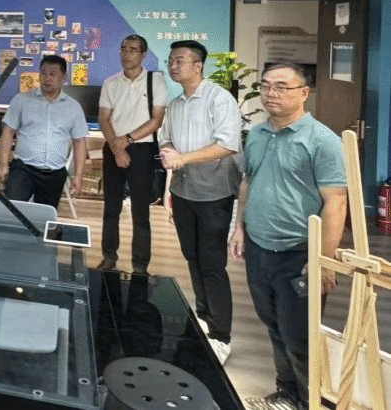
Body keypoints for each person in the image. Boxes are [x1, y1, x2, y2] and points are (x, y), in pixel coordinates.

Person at [230, 63, 347, 410]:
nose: (271, 93)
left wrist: (323, 260)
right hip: (258, 247)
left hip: (299, 252)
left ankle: (313, 401)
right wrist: (239, 228)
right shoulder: (257, 134)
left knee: (300, 336)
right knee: (273, 325)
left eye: (282, 86)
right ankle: (287, 393)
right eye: (266, 86)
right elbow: (248, 182)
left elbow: (336, 202)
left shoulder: (322, 141)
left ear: (303, 93)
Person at [158, 39, 241, 366]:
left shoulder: (219, 99)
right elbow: (166, 138)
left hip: (214, 194)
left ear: (198, 65)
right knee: (192, 258)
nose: (173, 66)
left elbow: (227, 145)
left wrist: (183, 158)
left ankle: (221, 336)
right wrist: (168, 152)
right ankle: (204, 320)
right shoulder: (176, 104)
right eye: (171, 60)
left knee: (212, 264)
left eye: (179, 60)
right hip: (183, 192)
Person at [97, 34, 167, 274]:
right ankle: (109, 257)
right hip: (113, 148)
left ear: (143, 55)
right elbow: (104, 118)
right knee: (111, 208)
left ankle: (140, 265)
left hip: (142, 149)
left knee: (140, 210)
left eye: (133, 50)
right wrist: (117, 148)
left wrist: (126, 141)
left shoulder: (155, 81)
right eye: (124, 49)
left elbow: (156, 120)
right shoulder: (110, 83)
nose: (126, 54)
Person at [0, 55, 89, 208]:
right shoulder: (22, 100)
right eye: (43, 73)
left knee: (45, 216)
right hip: (23, 169)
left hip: (54, 173)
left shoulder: (73, 107)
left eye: (52, 74)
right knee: (12, 211)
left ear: (63, 78)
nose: (47, 78)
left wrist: (78, 176)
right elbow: (8, 131)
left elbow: (79, 141)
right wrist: (3, 163)